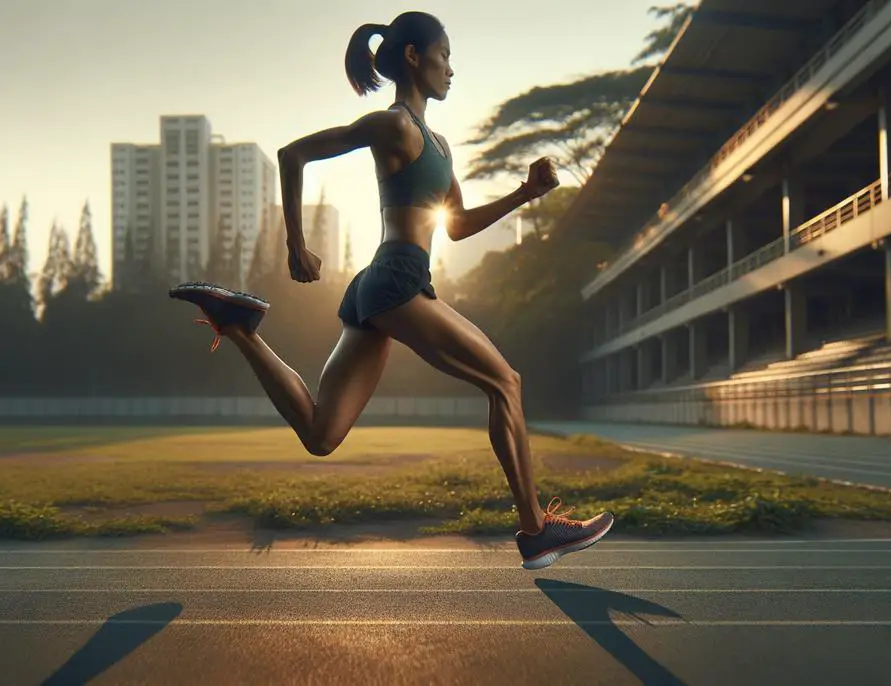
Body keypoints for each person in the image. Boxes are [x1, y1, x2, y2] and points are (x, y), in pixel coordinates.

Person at [169, 11, 613, 570]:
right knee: (506, 381)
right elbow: (293, 154)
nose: (451, 68)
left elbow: (455, 225)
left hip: (381, 286)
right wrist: (295, 245)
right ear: (413, 57)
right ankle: (535, 530)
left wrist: (525, 193)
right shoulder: (395, 125)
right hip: (398, 281)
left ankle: (236, 327)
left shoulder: (440, 146)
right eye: (444, 55)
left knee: (321, 432)